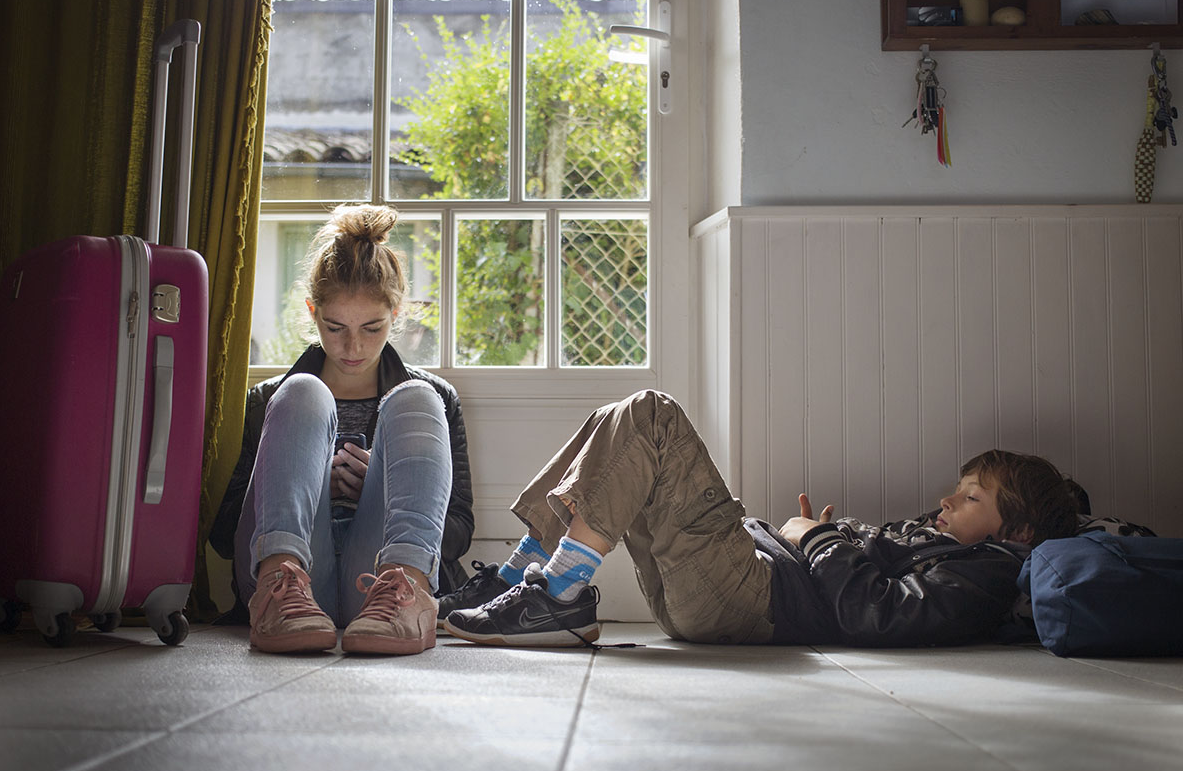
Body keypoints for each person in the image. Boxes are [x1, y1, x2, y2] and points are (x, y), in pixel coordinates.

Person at [440, 390, 1078, 649]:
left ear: (1016, 533)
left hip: (750, 598)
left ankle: (556, 593)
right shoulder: (944, 544)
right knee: (619, 422)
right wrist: (818, 538)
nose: (946, 500)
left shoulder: (988, 572)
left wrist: (818, 538)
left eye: (970, 498)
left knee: (653, 415)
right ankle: (527, 577)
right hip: (731, 584)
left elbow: (876, 613)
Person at [208, 204, 474, 655]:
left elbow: (459, 530)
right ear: (313, 313)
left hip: (378, 586)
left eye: (372, 327)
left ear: (396, 313)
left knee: (417, 396)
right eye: (335, 327)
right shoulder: (270, 400)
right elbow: (224, 535)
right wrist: (310, 487)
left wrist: (383, 487)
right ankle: (281, 583)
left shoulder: (436, 398)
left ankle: (405, 593)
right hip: (289, 585)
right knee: (302, 392)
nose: (353, 346)